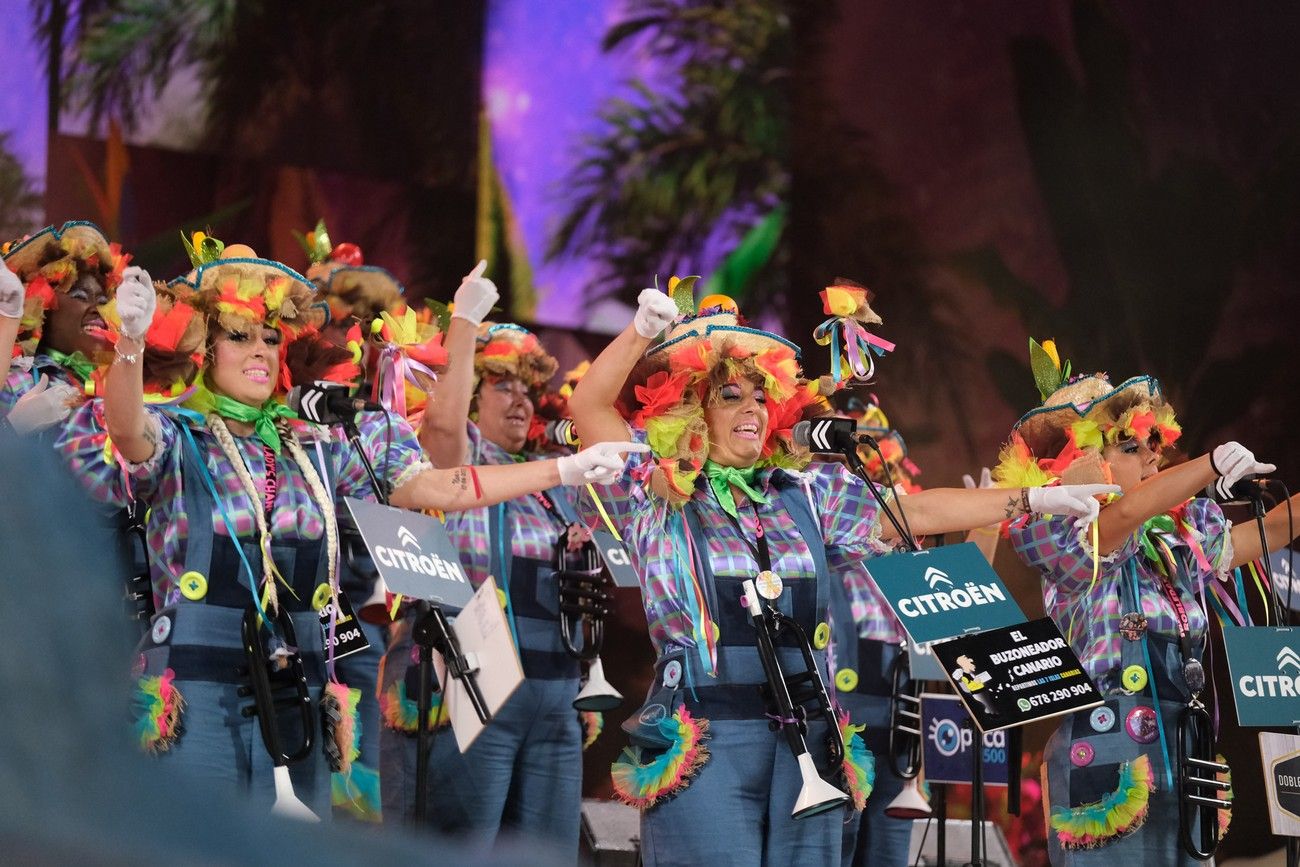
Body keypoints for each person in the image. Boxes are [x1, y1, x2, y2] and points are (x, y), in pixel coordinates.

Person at [56, 248, 641, 817]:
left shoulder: (323, 444)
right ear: (204, 350)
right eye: (239, 336)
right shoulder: (180, 435)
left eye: (269, 338)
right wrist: (130, 343)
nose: (260, 350)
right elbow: (128, 434)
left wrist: (561, 469)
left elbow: (436, 486)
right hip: (196, 688)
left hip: (301, 691)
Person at [568, 281, 1117, 865]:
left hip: (811, 737)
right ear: (689, 409)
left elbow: (919, 510)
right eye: (731, 395)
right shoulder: (657, 491)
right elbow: (589, 409)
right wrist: (641, 333)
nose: (753, 409)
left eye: (762, 396)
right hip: (705, 738)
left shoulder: (805, 493)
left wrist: (1036, 499)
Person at [998, 339, 1299, 864]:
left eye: (1153, 442)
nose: (1153, 453)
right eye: (1132, 446)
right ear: (1087, 460)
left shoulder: (1180, 530)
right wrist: (1208, 465)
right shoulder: (1058, 527)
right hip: (1106, 752)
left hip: (1186, 746)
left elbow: (1272, 529)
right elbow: (1121, 516)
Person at [380, 262, 591, 854]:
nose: (521, 401)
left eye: (528, 389)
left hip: (552, 698)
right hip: (471, 682)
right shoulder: (452, 454)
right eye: (504, 386)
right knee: (459, 852)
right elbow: (443, 419)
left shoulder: (557, 483)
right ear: (472, 394)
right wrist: (466, 320)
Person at [2, 221, 129, 434]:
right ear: (42, 308)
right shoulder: (14, 381)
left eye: (102, 300)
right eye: (79, 296)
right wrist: (13, 427)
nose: (97, 309)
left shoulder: (122, 391)